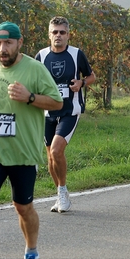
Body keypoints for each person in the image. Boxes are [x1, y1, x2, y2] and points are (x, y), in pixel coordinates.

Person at [0, 21, 63, 259]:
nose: (2, 49)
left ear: (19, 43)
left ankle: (31, 250)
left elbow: (57, 102)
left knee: (22, 207)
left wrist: (30, 97)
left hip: (23, 150)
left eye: (8, 43)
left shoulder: (35, 69)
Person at [35, 16, 96, 213]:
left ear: (68, 35)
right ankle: (61, 194)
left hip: (70, 110)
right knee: (51, 159)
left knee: (56, 151)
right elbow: (33, 81)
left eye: (62, 32)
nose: (58, 35)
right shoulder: (41, 56)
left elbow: (91, 76)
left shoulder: (77, 54)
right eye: (55, 32)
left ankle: (62, 193)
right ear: (49, 34)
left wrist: (81, 83)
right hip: (47, 112)